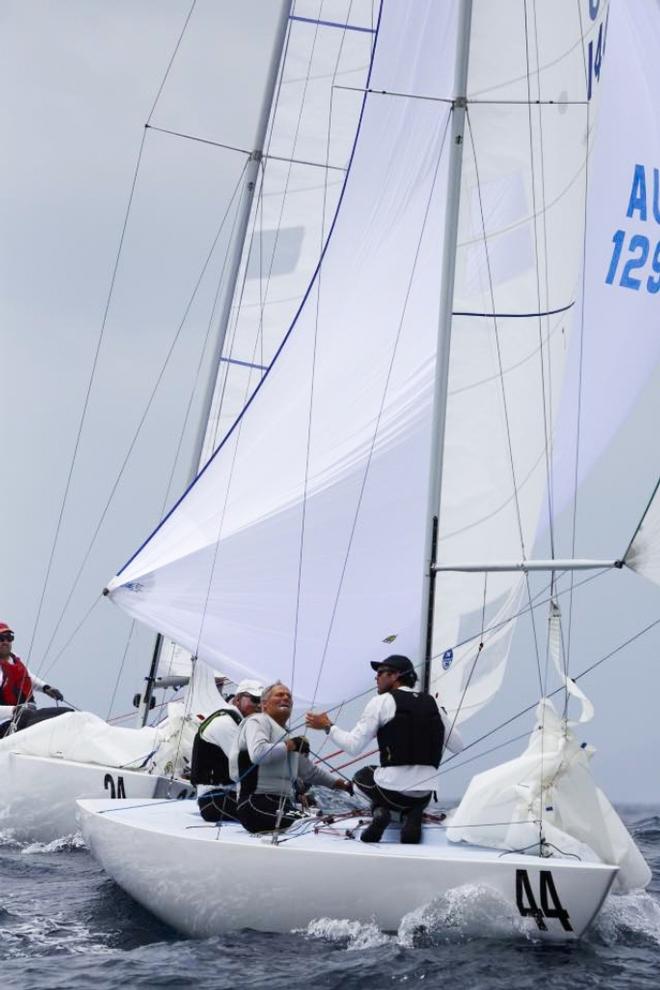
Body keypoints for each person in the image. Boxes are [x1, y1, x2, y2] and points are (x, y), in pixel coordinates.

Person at [305, 654, 464, 845]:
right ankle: (413, 815)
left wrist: (328, 727)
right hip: (425, 794)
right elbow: (458, 745)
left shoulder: (380, 702)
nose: (376, 678)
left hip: (392, 793)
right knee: (415, 794)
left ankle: (380, 812)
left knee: (362, 776)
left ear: (395, 675)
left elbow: (353, 746)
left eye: (381, 673)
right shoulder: (434, 703)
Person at [230, 681, 352, 834]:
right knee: (311, 828)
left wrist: (343, 784)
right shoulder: (257, 721)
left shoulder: (286, 735)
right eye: (279, 695)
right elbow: (258, 754)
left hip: (282, 804)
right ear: (264, 704)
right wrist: (291, 744)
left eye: (288, 696)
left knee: (319, 825)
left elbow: (310, 772)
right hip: (255, 803)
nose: (285, 698)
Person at [191, 679, 264, 823]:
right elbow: (249, 765)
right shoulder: (225, 723)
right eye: (255, 700)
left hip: (231, 796)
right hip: (214, 800)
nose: (259, 706)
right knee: (273, 813)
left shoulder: (242, 724)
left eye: (263, 702)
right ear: (237, 700)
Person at [0, 622, 64, 724]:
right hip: (6, 723)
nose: (5, 641)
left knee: (65, 714)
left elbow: (28, 677)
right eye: (1, 638)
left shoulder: (15, 660)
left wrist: (46, 688)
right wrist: (12, 711)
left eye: (9, 637)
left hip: (28, 714)